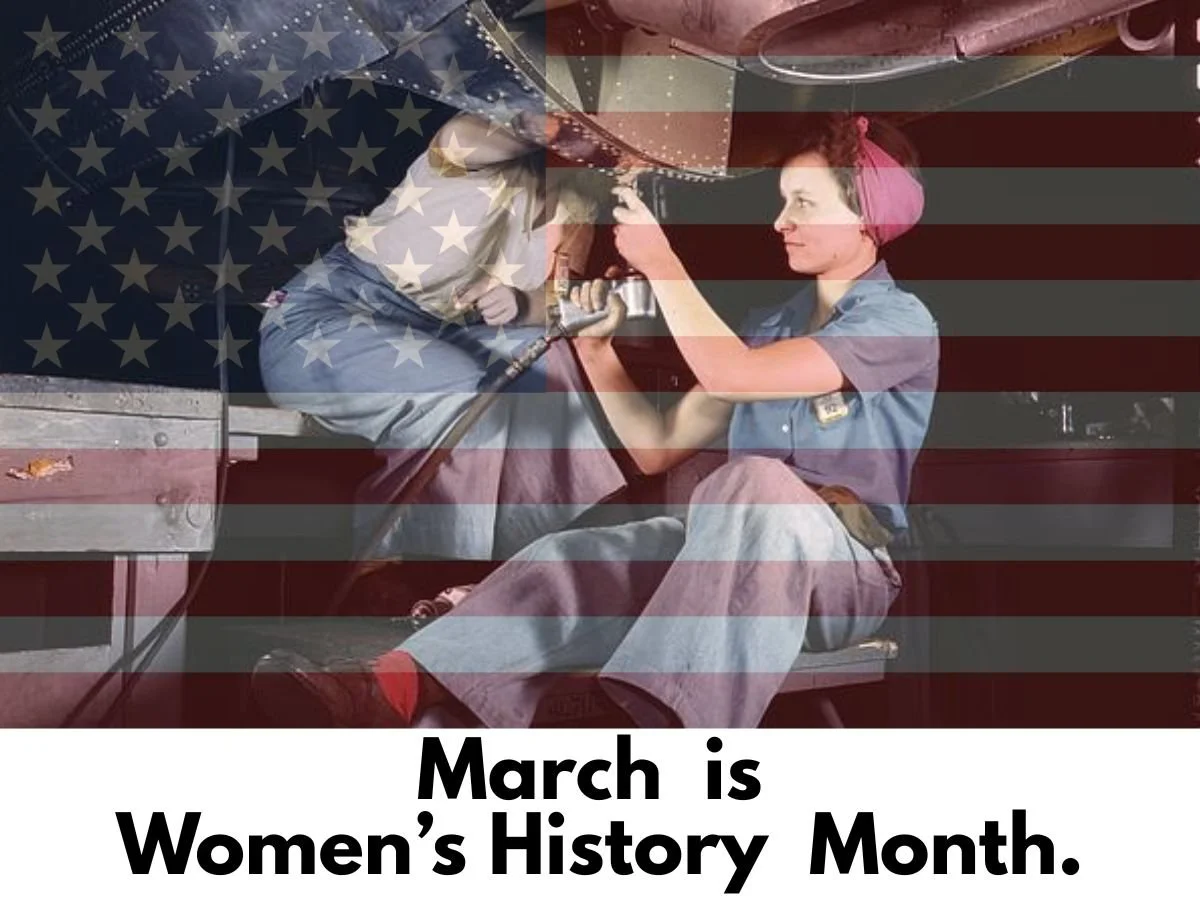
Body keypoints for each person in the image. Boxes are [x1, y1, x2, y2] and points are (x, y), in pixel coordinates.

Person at [252, 112, 940, 728]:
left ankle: (663, 725)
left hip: (840, 576)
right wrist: (595, 346)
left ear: (865, 220)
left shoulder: (900, 323)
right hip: (726, 563)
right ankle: (388, 693)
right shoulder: (771, 329)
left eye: (804, 204)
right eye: (782, 200)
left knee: (752, 482)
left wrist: (663, 264)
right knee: (574, 560)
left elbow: (736, 377)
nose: (780, 221)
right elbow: (654, 448)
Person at [258, 112, 626, 569]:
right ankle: (390, 560)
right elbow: (465, 139)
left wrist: (521, 301)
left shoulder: (577, 206)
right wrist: (550, 123)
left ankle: (523, 558)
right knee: (455, 387)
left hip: (437, 338)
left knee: (549, 369)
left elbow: (560, 300)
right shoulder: (473, 149)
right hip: (326, 322)